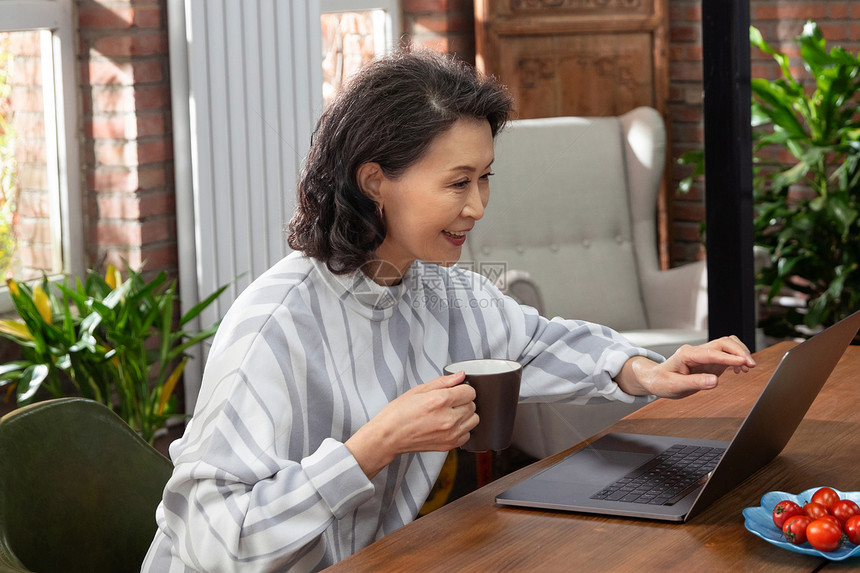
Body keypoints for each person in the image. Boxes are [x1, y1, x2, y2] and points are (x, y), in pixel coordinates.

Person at [142, 48, 755, 573]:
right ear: (375, 181)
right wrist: (372, 447)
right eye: (458, 183)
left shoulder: (438, 287)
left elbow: (533, 342)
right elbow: (210, 539)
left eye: (485, 178)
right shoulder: (275, 327)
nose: (479, 206)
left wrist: (645, 371)